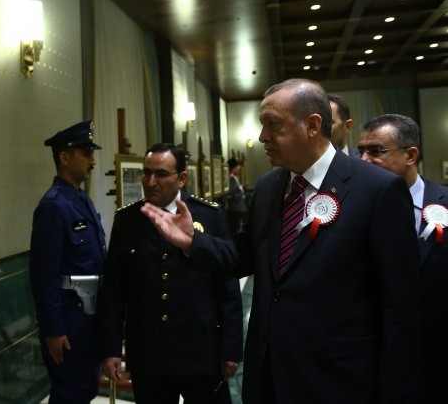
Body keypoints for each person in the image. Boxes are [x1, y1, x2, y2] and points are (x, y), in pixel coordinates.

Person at [140, 79, 421, 403]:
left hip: (338, 380)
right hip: (269, 374)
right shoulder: (269, 187)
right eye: (262, 125)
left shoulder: (377, 189)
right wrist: (192, 241)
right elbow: (242, 256)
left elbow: (400, 306)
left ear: (312, 125)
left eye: (272, 124)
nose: (262, 136)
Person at [98, 143, 243, 404]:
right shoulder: (128, 221)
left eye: (161, 174)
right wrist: (111, 349)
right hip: (149, 353)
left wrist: (230, 348)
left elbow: (228, 290)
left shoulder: (209, 217)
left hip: (200, 350)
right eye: (146, 173)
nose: (151, 181)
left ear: (182, 178)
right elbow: (113, 292)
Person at [358, 113, 448, 403]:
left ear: (410, 155)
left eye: (376, 151)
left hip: (439, 350)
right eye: (361, 151)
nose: (364, 160)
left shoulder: (444, 202)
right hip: (379, 354)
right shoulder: (357, 209)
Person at [29, 120, 107, 404]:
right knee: (69, 395)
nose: (93, 160)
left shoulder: (82, 200)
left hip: (89, 318)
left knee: (85, 391)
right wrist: (53, 330)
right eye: (86, 153)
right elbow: (43, 277)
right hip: (69, 323)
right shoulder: (53, 206)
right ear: (64, 157)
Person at [328, 92, 360, 157]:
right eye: (314, 124)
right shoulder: (306, 161)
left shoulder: (364, 159)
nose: (319, 129)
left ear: (347, 126)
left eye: (327, 122)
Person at [225, 158, 248, 236]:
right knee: (236, 229)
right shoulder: (232, 179)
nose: (239, 168)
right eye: (237, 166)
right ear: (233, 168)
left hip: (240, 208)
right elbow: (230, 193)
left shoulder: (234, 178)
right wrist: (238, 197)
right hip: (236, 208)